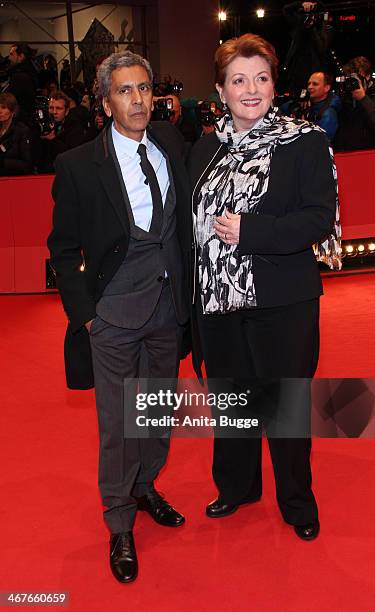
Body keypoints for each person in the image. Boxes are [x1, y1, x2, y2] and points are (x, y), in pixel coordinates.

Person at [188, 34, 339, 541]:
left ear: (274, 84)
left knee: (286, 407)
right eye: (238, 80)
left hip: (283, 301)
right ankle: (237, 486)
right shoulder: (205, 148)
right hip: (218, 301)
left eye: (261, 78)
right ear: (220, 89)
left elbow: (318, 219)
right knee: (231, 403)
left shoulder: (305, 140)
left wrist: (251, 231)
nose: (250, 89)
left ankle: (297, 502)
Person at [47, 50, 191, 584]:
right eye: (125, 91)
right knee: (118, 424)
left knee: (156, 412)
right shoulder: (78, 165)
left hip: (167, 310)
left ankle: (146, 485)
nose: (138, 100)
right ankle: (119, 521)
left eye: (144, 89)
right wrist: (86, 316)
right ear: (106, 101)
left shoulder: (171, 144)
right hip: (111, 315)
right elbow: (62, 249)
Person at [37, 91, 88, 172]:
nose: (54, 112)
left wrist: (53, 140)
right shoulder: (42, 126)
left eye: (58, 108)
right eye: (51, 108)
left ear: (67, 111)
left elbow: (73, 155)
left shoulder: (75, 127)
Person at [334, 56, 375, 151]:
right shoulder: (346, 98)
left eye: (356, 78)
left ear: (368, 77)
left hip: (369, 154)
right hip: (348, 153)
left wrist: (363, 99)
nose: (352, 83)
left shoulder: (371, 97)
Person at [0, 92, 33, 176]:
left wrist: (3, 162)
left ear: (12, 111)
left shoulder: (21, 131)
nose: (0, 111)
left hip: (13, 178)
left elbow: (27, 164)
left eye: (3, 107)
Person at [7, 44, 38, 126]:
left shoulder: (20, 76)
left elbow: (11, 101)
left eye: (11, 54)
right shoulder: (29, 72)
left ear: (21, 56)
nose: (9, 58)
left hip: (20, 122)